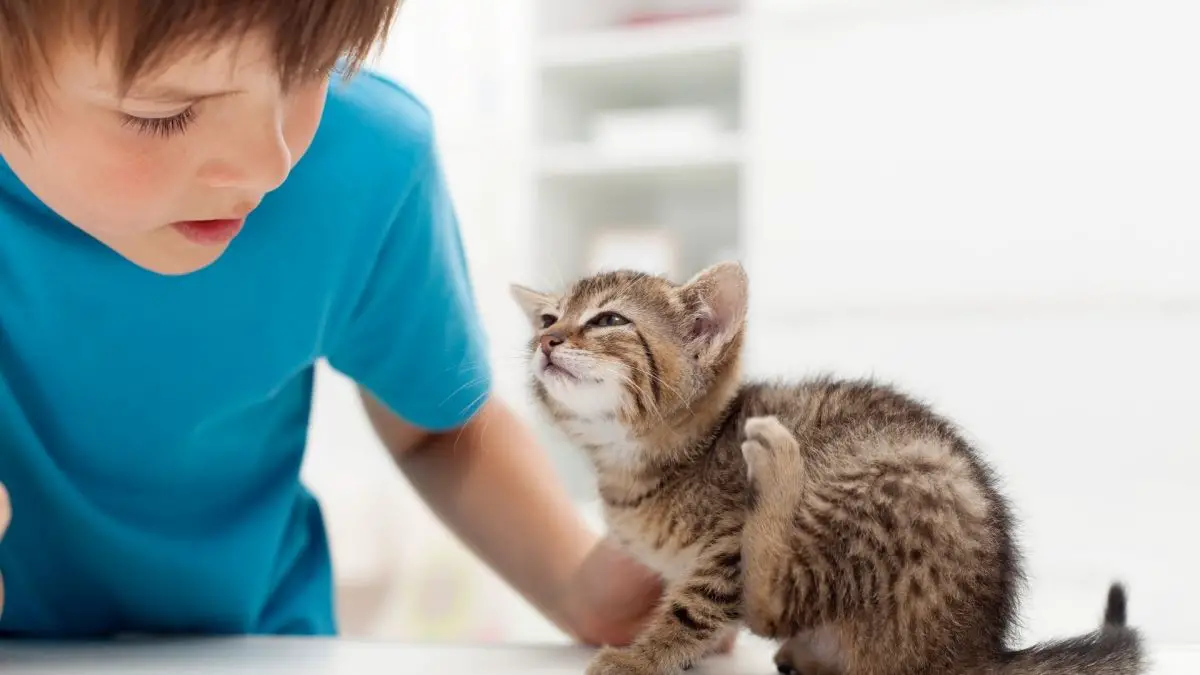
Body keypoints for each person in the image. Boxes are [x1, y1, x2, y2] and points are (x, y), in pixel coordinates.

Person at [0, 0, 693, 647]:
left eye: (311, 70)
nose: (268, 164)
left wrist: (582, 589)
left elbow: (435, 428)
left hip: (257, 646)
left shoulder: (366, 159)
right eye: (165, 112)